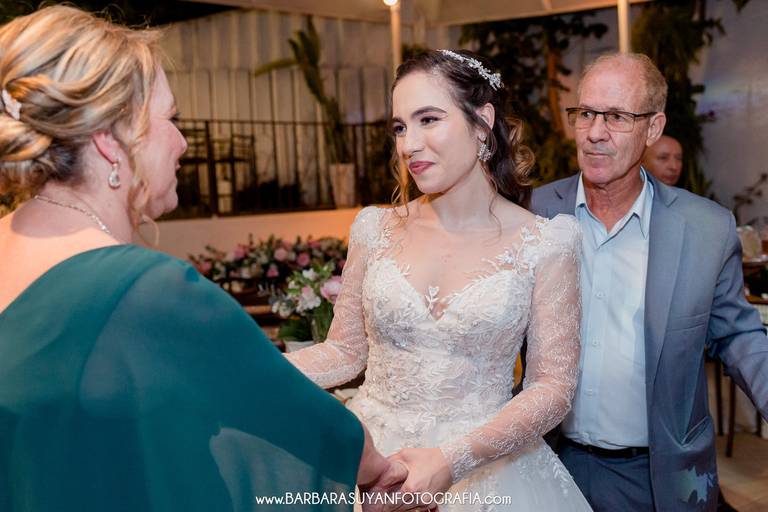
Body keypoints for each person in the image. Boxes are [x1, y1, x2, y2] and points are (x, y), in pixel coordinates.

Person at [0, 6, 402, 511]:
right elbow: (310, 424)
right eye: (171, 119)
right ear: (110, 139)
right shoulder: (142, 289)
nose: (183, 142)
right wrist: (381, 472)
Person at [286, 49, 591, 511]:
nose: (409, 144)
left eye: (428, 120)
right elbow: (345, 351)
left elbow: (552, 388)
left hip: (489, 470)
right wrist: (257, 370)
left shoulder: (547, 243)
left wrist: (453, 460)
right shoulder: (374, 228)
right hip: (374, 462)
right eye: (400, 127)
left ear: (482, 122)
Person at [531, 52, 768, 511]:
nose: (595, 132)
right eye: (586, 113)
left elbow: (738, 336)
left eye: (617, 117)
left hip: (660, 478)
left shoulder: (705, 229)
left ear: (653, 128)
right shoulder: (533, 214)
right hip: (547, 465)